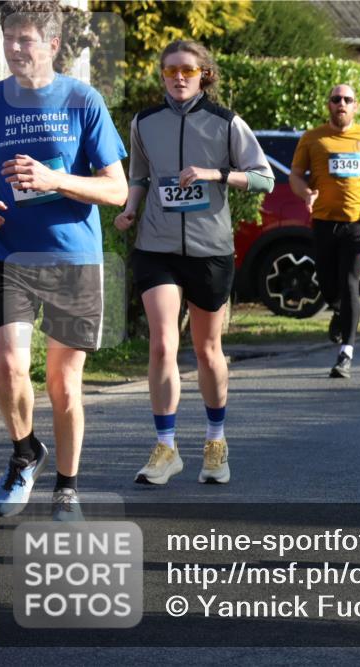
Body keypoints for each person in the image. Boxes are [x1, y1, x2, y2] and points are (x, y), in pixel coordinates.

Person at [0, 0, 127, 519]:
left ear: (53, 44)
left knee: (63, 383)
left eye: (26, 39)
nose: (15, 47)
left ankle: (67, 487)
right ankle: (24, 453)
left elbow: (117, 190)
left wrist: (55, 179)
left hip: (73, 260)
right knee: (11, 366)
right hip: (9, 254)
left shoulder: (84, 101)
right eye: (9, 37)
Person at [115, 39, 274, 486]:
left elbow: (264, 177)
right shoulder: (145, 122)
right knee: (163, 344)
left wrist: (215, 174)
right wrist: (130, 208)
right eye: (170, 71)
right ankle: (166, 448)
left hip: (209, 250)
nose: (178, 77)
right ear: (162, 75)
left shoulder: (226, 123)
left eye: (187, 69)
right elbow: (140, 176)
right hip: (157, 246)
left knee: (207, 351)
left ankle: (215, 441)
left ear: (204, 73)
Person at [290, 84, 360, 377]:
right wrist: (305, 193)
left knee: (350, 284)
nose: (341, 104)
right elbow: (295, 175)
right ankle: (337, 310)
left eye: (347, 99)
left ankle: (346, 352)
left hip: (357, 222)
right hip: (323, 222)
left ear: (356, 106)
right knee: (327, 284)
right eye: (336, 99)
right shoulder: (312, 138)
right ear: (329, 105)